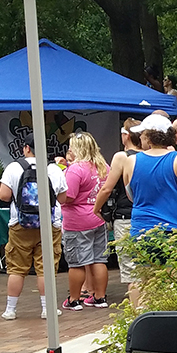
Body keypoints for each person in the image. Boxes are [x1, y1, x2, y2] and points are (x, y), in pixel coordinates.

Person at [0, 134, 67, 320]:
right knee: (45, 268)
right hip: (49, 224)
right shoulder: (53, 169)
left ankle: (10, 310)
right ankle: (47, 309)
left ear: (27, 148)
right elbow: (62, 198)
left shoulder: (14, 167)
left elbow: (4, 195)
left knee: (16, 268)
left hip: (20, 223)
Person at [121, 114, 177, 265]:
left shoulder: (130, 161)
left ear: (149, 137)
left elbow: (131, 195)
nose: (141, 137)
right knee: (173, 281)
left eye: (143, 133)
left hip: (141, 230)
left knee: (146, 282)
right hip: (174, 230)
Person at [92, 119, 142, 306]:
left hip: (125, 216)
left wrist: (97, 208)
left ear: (125, 135)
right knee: (147, 266)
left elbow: (107, 188)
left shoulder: (122, 157)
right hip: (146, 215)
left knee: (131, 270)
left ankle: (137, 313)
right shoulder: (149, 155)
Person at [60, 132, 110, 311]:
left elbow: (69, 196)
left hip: (77, 221)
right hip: (98, 218)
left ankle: (74, 300)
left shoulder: (75, 169)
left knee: (76, 262)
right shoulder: (104, 166)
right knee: (99, 259)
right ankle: (99, 297)